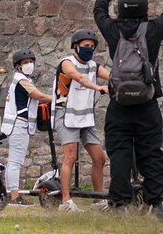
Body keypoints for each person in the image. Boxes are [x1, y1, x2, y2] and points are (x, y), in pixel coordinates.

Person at [93, 0, 163, 218]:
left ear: (120, 8)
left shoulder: (112, 30)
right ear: (144, 8)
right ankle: (157, 204)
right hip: (147, 103)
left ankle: (119, 204)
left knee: (119, 152)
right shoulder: (152, 31)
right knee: (150, 152)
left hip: (119, 103)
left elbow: (98, 10)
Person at [52, 29, 110, 212]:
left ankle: (98, 201)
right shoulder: (67, 63)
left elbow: (112, 76)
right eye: (86, 46)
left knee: (100, 158)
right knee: (70, 156)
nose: (89, 49)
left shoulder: (93, 65)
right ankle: (66, 202)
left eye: (92, 47)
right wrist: (98, 87)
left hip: (85, 117)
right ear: (76, 46)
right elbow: (78, 77)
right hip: (66, 115)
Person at [0, 48, 52, 207]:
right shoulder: (22, 81)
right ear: (18, 66)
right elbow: (39, 96)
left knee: (14, 162)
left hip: (18, 125)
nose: (29, 64)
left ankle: (12, 194)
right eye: (25, 62)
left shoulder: (22, 79)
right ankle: (14, 197)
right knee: (15, 162)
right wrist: (58, 99)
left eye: (31, 62)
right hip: (18, 125)